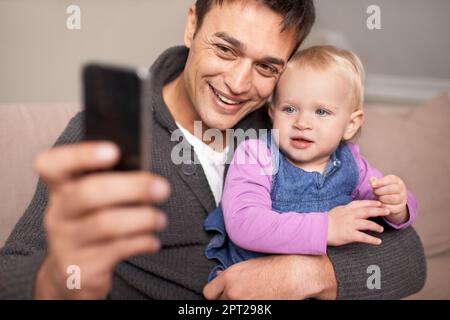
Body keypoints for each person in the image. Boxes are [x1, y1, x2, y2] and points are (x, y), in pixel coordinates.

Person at [0, 0, 425, 300]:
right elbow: (10, 273)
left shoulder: (292, 128)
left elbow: (410, 259)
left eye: (266, 67)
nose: (239, 85)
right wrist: (57, 281)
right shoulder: (111, 136)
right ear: (191, 26)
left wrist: (308, 274)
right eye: (225, 49)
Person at [204, 46, 418, 281]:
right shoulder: (256, 154)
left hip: (318, 285)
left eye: (322, 112)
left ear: (351, 124)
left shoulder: (352, 164)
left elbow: (382, 207)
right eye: (290, 109)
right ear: (272, 113)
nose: (302, 122)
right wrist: (326, 228)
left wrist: (399, 205)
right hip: (255, 282)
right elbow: (244, 224)